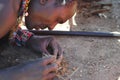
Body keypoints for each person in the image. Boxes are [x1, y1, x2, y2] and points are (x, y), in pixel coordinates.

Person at [0, 0, 77, 80]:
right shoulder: (7, 11)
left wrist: (29, 39)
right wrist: (19, 74)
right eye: (57, 19)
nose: (52, 27)